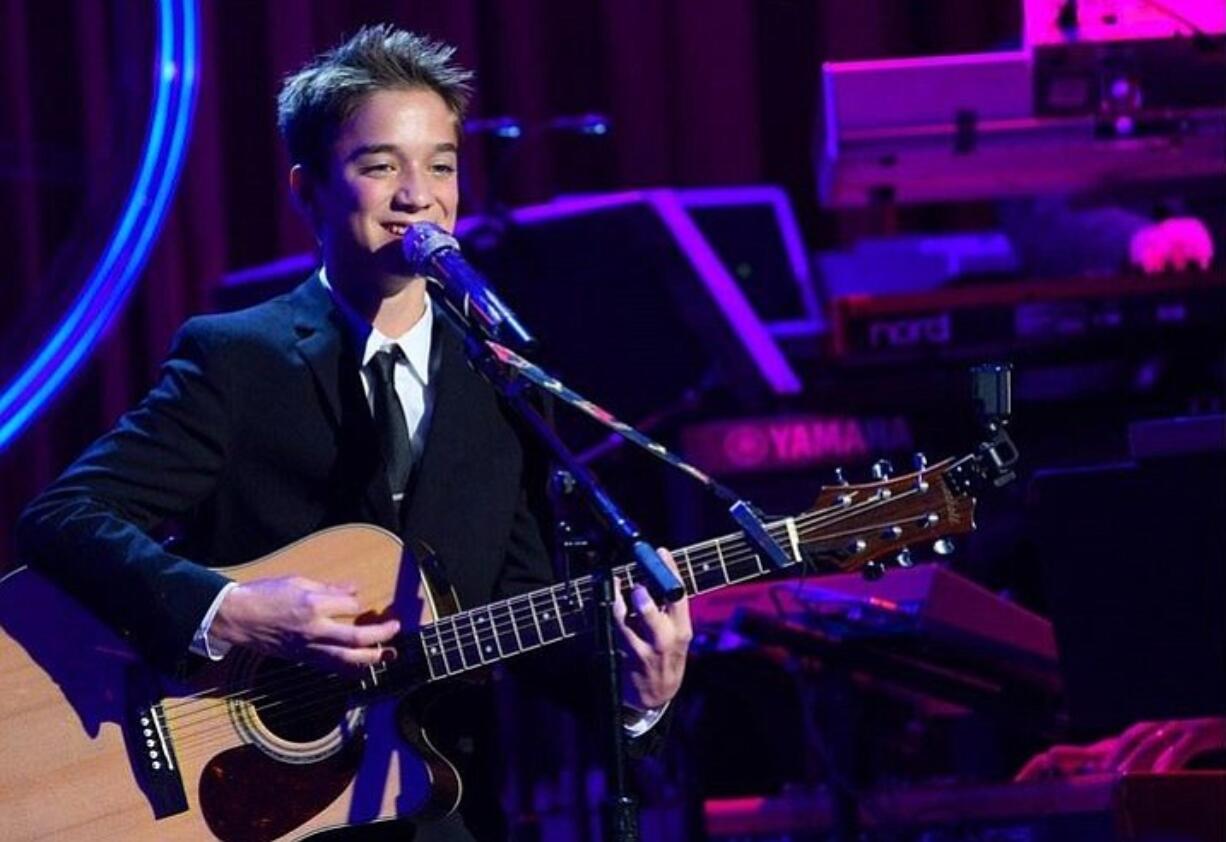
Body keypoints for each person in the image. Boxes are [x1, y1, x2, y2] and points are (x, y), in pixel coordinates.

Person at [16, 24, 690, 841]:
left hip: (430, 804)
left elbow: (516, 610)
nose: (420, 195)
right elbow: (63, 517)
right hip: (239, 797)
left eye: (441, 165)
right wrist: (230, 610)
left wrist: (637, 699)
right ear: (308, 191)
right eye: (381, 166)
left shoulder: (501, 376)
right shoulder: (239, 359)